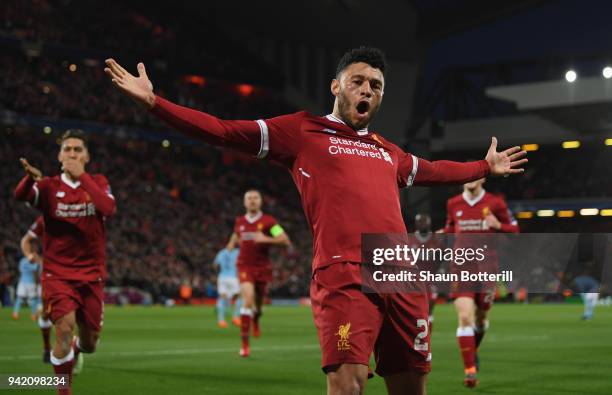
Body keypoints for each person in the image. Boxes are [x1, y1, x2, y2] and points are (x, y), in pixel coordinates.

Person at [105, 46, 526, 395]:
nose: (367, 90)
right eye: (358, 81)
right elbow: (223, 130)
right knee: (348, 386)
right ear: (336, 86)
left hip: (400, 278)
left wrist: (483, 167)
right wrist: (156, 104)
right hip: (344, 272)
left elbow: (434, 171)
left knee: (411, 388)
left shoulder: (387, 150)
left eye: (376, 86)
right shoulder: (302, 131)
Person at [14, 129, 116, 395]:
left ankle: (77, 350)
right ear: (59, 155)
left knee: (90, 342)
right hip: (57, 274)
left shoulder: (98, 182)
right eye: (67, 149)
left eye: (78, 149)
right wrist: (28, 179)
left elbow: (108, 209)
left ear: (87, 156)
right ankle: (64, 391)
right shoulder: (49, 187)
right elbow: (20, 196)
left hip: (92, 275)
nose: (72, 153)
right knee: (64, 328)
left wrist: (81, 176)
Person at [444, 177, 519, 388]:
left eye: (474, 175)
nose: (469, 179)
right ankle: (470, 371)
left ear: (483, 178)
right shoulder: (453, 203)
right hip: (461, 268)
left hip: (487, 268)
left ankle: (472, 350)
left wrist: (499, 225)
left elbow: (515, 230)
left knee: (481, 317)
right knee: (465, 317)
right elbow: (450, 228)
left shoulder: (496, 203)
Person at [226, 189, 291, 356]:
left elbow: (284, 239)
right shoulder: (239, 221)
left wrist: (265, 239)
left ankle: (256, 318)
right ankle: (244, 345)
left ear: (260, 201)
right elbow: (236, 234)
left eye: (255, 198)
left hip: (262, 268)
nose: (252, 201)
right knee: (247, 301)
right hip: (244, 266)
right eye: (249, 198)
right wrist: (231, 244)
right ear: (244, 202)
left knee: (259, 305)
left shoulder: (269, 222)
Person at [20, 216, 54, 363]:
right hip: (51, 274)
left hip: (75, 273)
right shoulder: (46, 217)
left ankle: (73, 351)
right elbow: (25, 240)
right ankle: (47, 348)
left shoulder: (83, 214)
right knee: (47, 313)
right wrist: (29, 255)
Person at [213, 245, 241, 328]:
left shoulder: (221, 252)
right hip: (233, 277)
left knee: (222, 298)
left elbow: (215, 265)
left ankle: (221, 320)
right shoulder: (237, 252)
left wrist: (220, 271)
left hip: (222, 277)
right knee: (239, 297)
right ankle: (236, 317)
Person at [12, 250, 40, 321]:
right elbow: (36, 267)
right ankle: (33, 315)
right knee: (33, 298)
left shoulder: (22, 261)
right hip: (30, 283)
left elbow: (21, 269)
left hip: (22, 282)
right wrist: (36, 258)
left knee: (19, 298)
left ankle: (15, 313)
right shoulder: (33, 263)